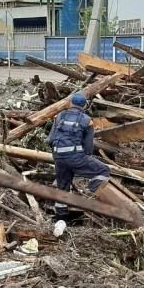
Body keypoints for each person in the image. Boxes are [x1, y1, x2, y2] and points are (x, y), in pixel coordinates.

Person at [46, 93, 110, 221]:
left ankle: (61, 219)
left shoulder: (59, 116)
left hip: (58, 156)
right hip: (75, 157)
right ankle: (89, 192)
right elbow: (88, 148)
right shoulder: (87, 121)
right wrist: (81, 159)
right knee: (104, 171)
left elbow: (50, 140)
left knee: (62, 188)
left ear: (70, 103)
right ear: (85, 105)